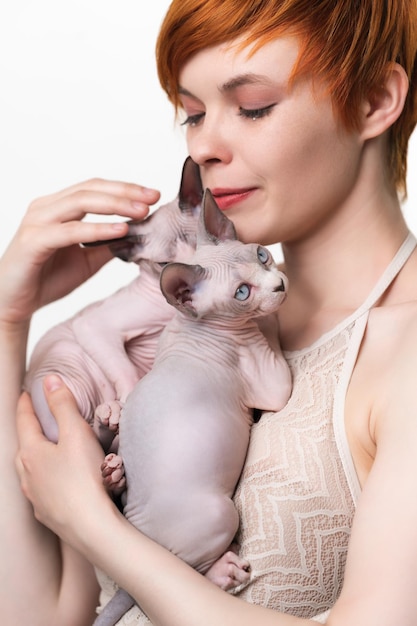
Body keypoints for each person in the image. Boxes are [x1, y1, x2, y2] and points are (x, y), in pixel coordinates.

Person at [1, 0, 417, 623]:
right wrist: (9, 321)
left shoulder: (405, 349)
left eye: (253, 107)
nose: (204, 147)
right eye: (192, 114)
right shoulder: (187, 323)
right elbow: (44, 615)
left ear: (373, 102)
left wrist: (97, 527)